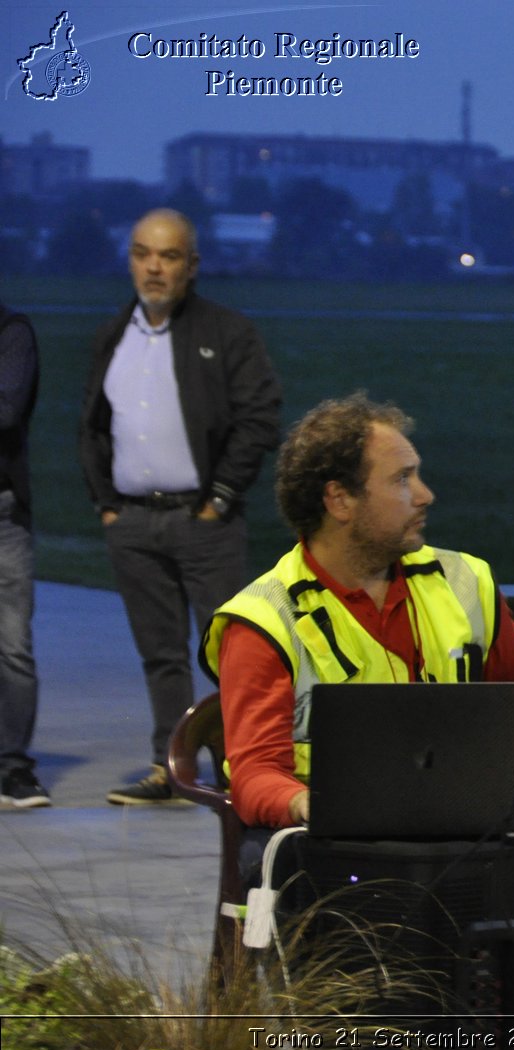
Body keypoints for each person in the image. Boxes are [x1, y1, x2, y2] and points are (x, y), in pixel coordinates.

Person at [202, 393, 514, 831]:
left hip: (457, 823)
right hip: (329, 843)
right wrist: (319, 807)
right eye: (402, 479)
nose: (425, 495)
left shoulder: (461, 580)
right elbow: (254, 776)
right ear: (339, 500)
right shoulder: (264, 620)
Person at [80, 209, 282, 804]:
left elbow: (259, 416)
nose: (154, 266)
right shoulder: (114, 336)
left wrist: (219, 500)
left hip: (204, 521)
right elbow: (92, 426)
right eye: (143, 253)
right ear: (130, 259)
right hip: (134, 522)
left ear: (192, 266)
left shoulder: (226, 332)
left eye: (169, 256)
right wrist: (107, 507)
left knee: (230, 654)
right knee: (160, 654)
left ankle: (238, 767)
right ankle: (168, 767)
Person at [0, 302, 46, 808]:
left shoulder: (10, 331)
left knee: (12, 645)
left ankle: (13, 766)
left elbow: (6, 410)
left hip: (3, 514)